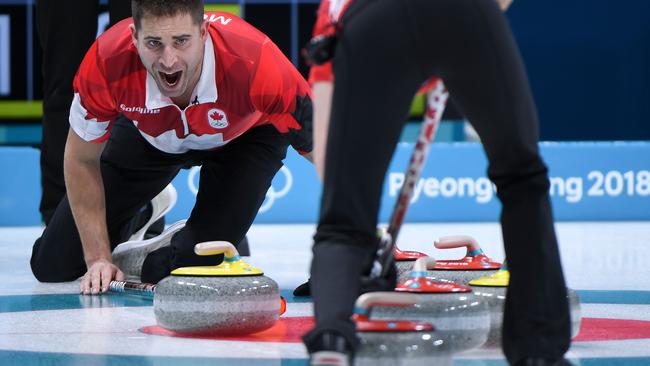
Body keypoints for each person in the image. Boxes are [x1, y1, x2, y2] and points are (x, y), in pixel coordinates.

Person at [303, 0, 571, 365]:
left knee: (343, 215)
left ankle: (331, 337)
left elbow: (326, 160)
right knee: (522, 177)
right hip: (465, 12)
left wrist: (355, 241)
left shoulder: (330, 13)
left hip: (373, 23)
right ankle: (538, 350)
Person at [29, 0, 313, 296]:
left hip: (245, 139)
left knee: (175, 269)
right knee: (53, 265)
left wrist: (351, 257)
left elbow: (330, 157)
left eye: (181, 41)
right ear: (133, 37)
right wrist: (99, 258)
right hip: (150, 133)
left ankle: (184, 238)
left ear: (204, 32)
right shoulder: (106, 59)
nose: (169, 61)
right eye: (154, 43)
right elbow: (81, 159)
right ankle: (149, 208)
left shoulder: (257, 60)